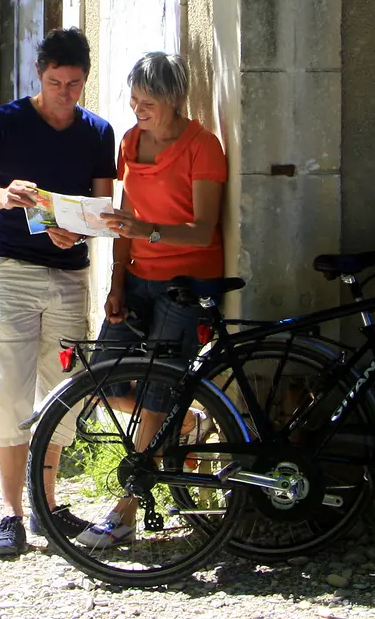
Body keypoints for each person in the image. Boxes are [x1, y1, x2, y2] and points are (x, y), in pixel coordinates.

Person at [0, 28, 116, 558]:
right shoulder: (6, 121)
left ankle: (46, 503)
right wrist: (4, 195)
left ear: (85, 80)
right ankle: (10, 513)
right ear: (38, 72)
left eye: (74, 84)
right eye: (55, 82)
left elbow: (102, 210)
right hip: (11, 271)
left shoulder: (98, 132)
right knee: (8, 387)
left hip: (71, 275)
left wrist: (80, 228)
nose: (64, 94)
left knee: (62, 388)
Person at [76, 51, 228, 547]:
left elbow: (204, 230)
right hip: (137, 276)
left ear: (174, 98)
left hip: (186, 283)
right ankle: (190, 423)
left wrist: (149, 232)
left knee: (157, 394)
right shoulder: (130, 141)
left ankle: (126, 510)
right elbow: (125, 217)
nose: (137, 108)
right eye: (134, 99)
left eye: (148, 100)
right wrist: (116, 282)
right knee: (103, 379)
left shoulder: (203, 147)